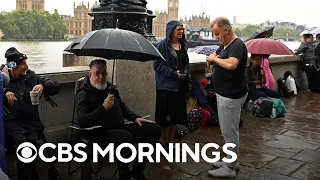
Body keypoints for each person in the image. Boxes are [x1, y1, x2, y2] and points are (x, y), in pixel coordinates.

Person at [76, 59, 161, 180]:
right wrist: (103, 108)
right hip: (97, 131)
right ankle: (124, 172)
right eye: (97, 73)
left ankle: (137, 170)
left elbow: (122, 106)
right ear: (90, 74)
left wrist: (135, 117)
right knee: (124, 136)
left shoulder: (111, 89)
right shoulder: (84, 93)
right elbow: (82, 121)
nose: (101, 77)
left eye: (104, 73)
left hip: (119, 126)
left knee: (154, 130)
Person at [3, 47, 60, 180]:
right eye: (22, 64)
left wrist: (43, 86)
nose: (26, 66)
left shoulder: (31, 76)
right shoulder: (3, 78)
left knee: (32, 142)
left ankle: (30, 176)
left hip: (30, 122)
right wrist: (5, 91)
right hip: (11, 123)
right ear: (13, 67)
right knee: (24, 144)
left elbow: (55, 85)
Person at [206, 17, 248, 178]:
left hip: (231, 96)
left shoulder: (237, 45)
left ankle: (229, 168)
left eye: (217, 34)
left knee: (229, 132)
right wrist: (214, 57)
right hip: (225, 93)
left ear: (226, 30)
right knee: (229, 130)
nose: (216, 37)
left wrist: (214, 59)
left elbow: (231, 65)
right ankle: (232, 160)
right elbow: (213, 54)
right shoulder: (225, 45)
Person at [154, 20, 190, 150]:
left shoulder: (183, 45)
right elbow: (157, 65)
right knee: (165, 118)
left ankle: (171, 142)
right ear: (171, 31)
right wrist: (173, 73)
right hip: (166, 87)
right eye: (178, 29)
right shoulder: (162, 46)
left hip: (180, 87)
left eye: (182, 29)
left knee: (175, 116)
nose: (181, 31)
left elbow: (186, 64)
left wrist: (185, 73)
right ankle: (165, 143)